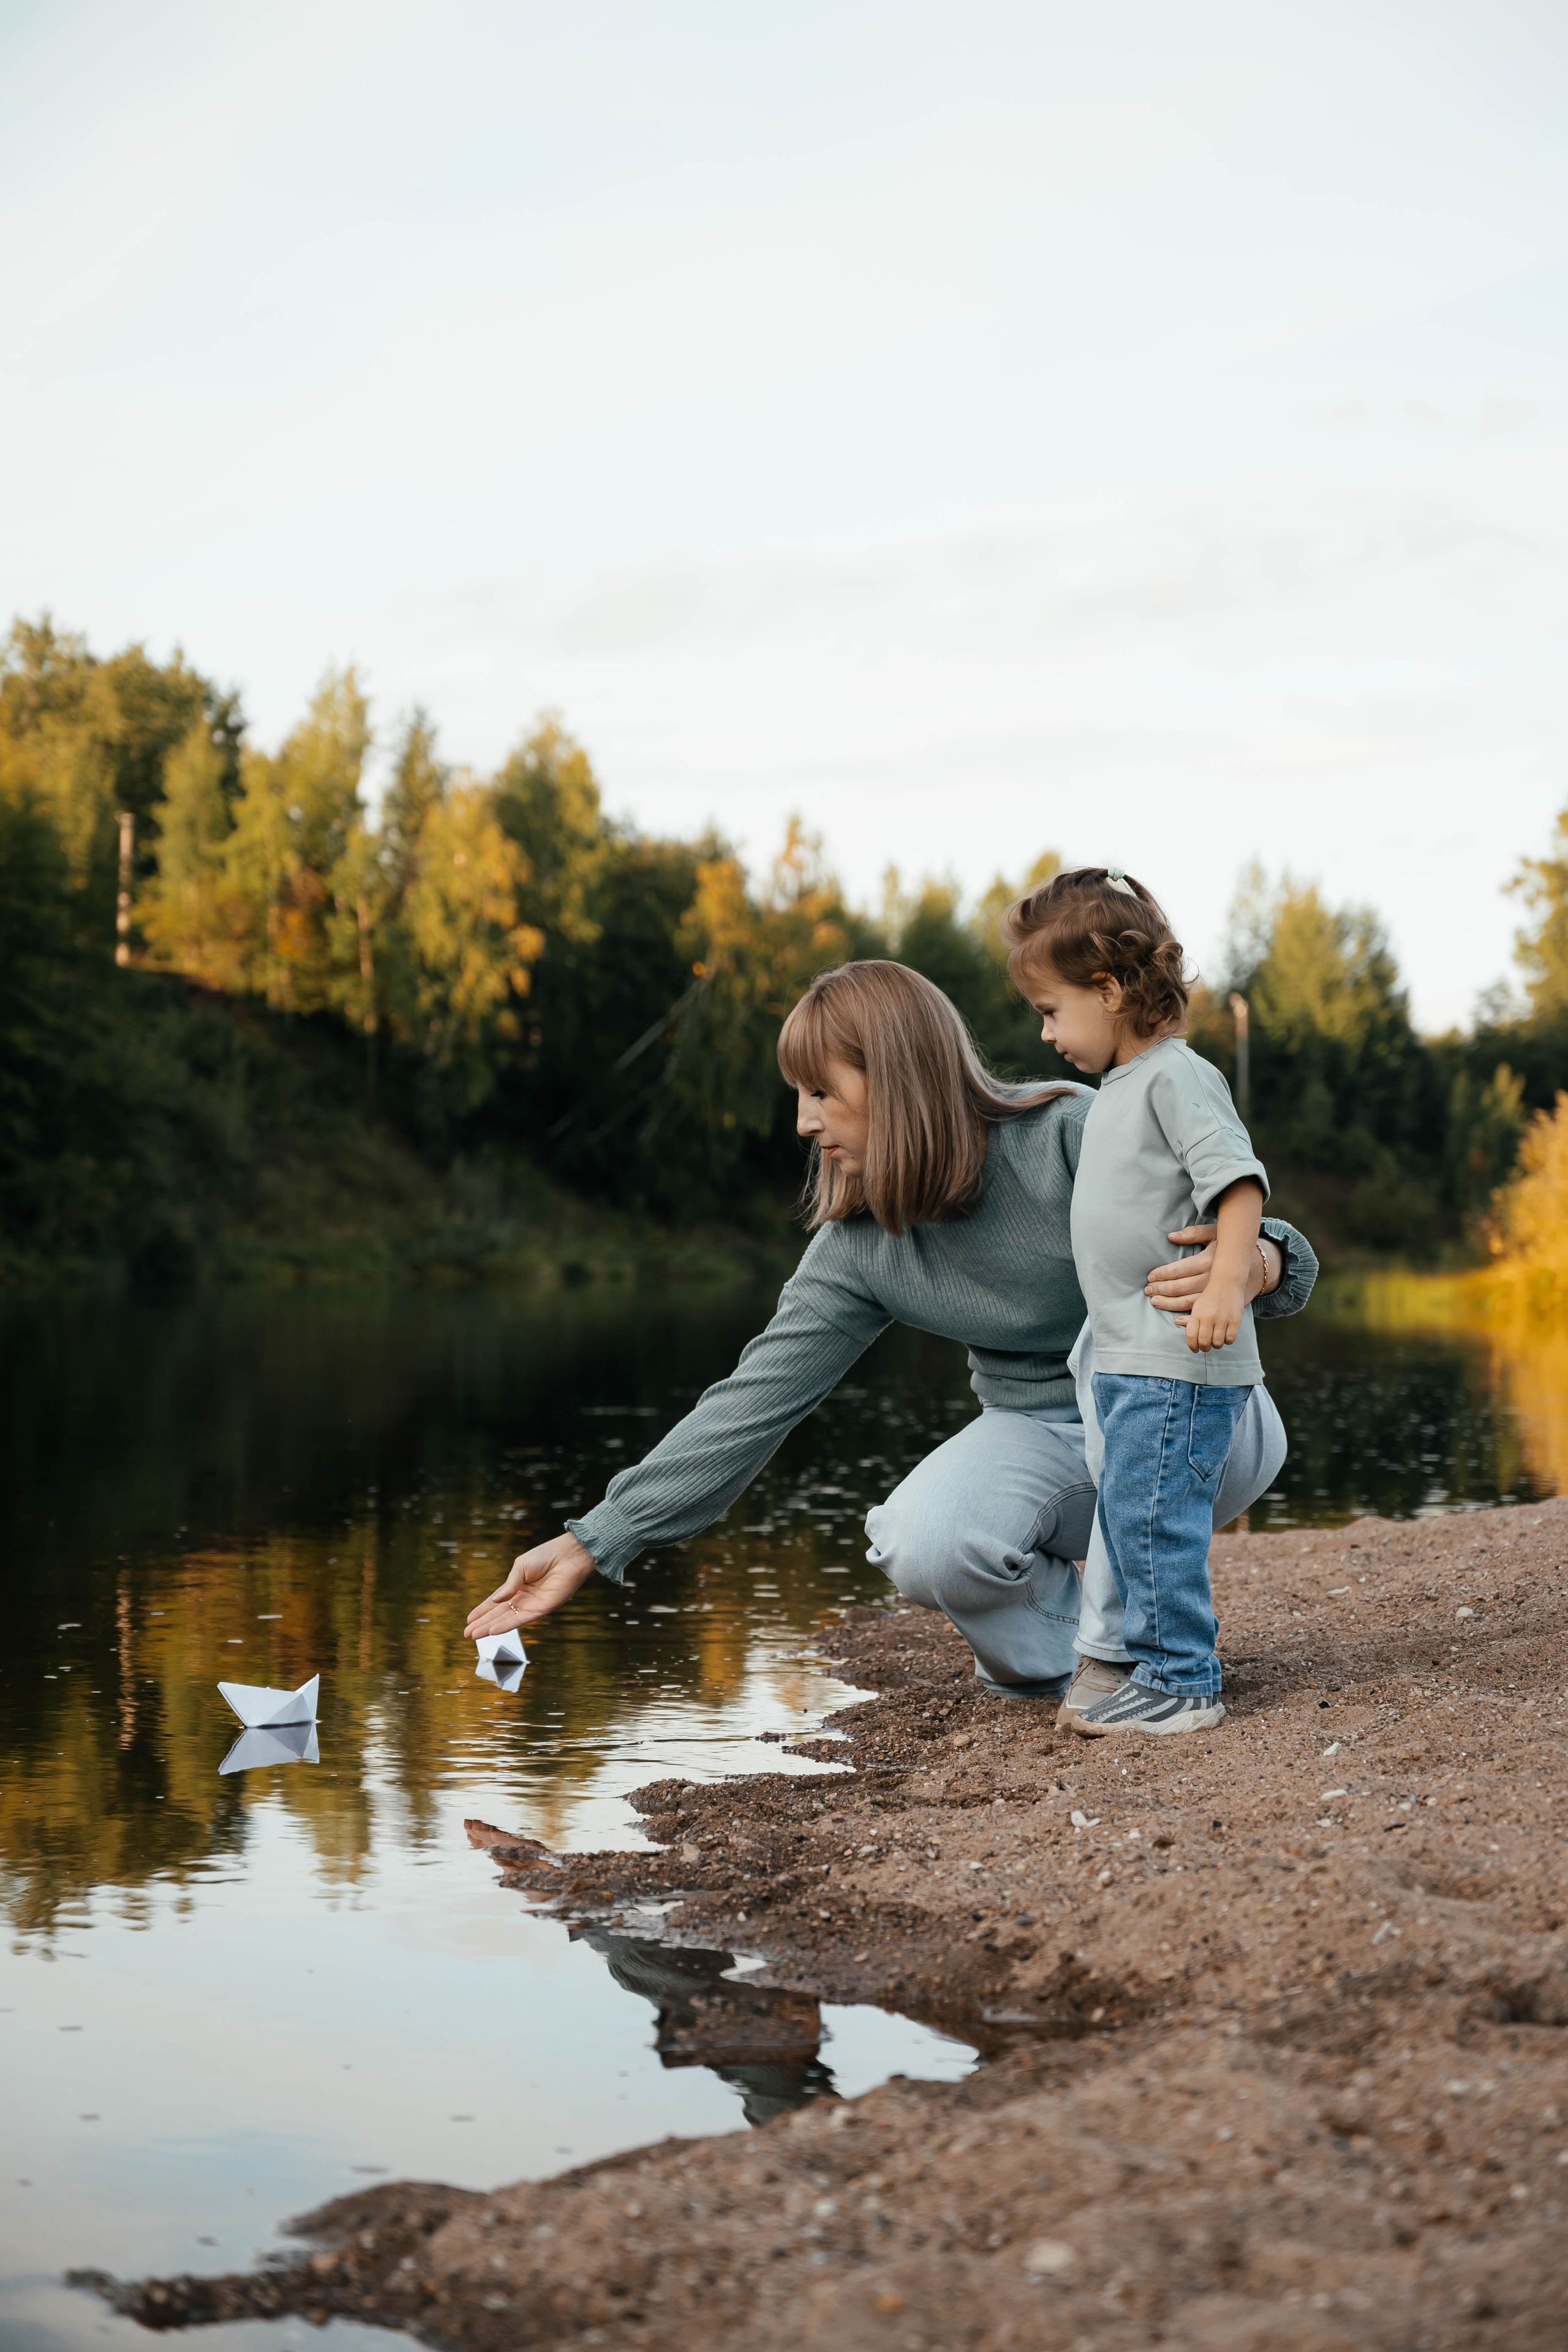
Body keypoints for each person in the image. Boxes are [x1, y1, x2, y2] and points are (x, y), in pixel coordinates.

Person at [465, 960, 1316, 1700]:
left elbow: (1270, 1233)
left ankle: (1138, 1649)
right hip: (1044, 1435)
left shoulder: (1070, 1135)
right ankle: (1064, 1662)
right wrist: (594, 1539)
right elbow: (750, 1406)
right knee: (922, 1539)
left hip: (1196, 1422)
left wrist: (1263, 1264)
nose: (802, 1122)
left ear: (899, 1078)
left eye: (822, 1093)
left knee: (1136, 1426)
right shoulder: (861, 1247)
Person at [1005, 865, 1269, 1736]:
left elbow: (1237, 1182)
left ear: (1109, 989)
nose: (1045, 1034)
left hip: (1177, 1355)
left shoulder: (1177, 1078)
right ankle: (1155, 1668)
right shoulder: (1121, 1089)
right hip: (1128, 1357)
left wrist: (1231, 1276)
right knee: (1131, 1515)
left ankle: (1185, 1682)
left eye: (1051, 1011)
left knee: (1157, 1524)